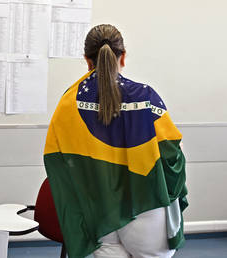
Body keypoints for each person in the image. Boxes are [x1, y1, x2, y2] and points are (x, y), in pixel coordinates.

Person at [43, 24, 188, 258]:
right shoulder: (145, 97)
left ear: (87, 60)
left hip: (97, 210)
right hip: (145, 204)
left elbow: (56, 159)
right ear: (123, 56)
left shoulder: (69, 102)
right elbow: (172, 154)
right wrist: (174, 190)